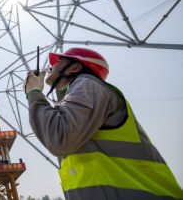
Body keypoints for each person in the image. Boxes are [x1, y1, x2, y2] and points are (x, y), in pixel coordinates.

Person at [24, 47, 183, 200]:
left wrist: (34, 93)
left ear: (75, 67)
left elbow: (59, 138)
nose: (51, 65)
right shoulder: (82, 94)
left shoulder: (88, 84)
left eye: (58, 61)